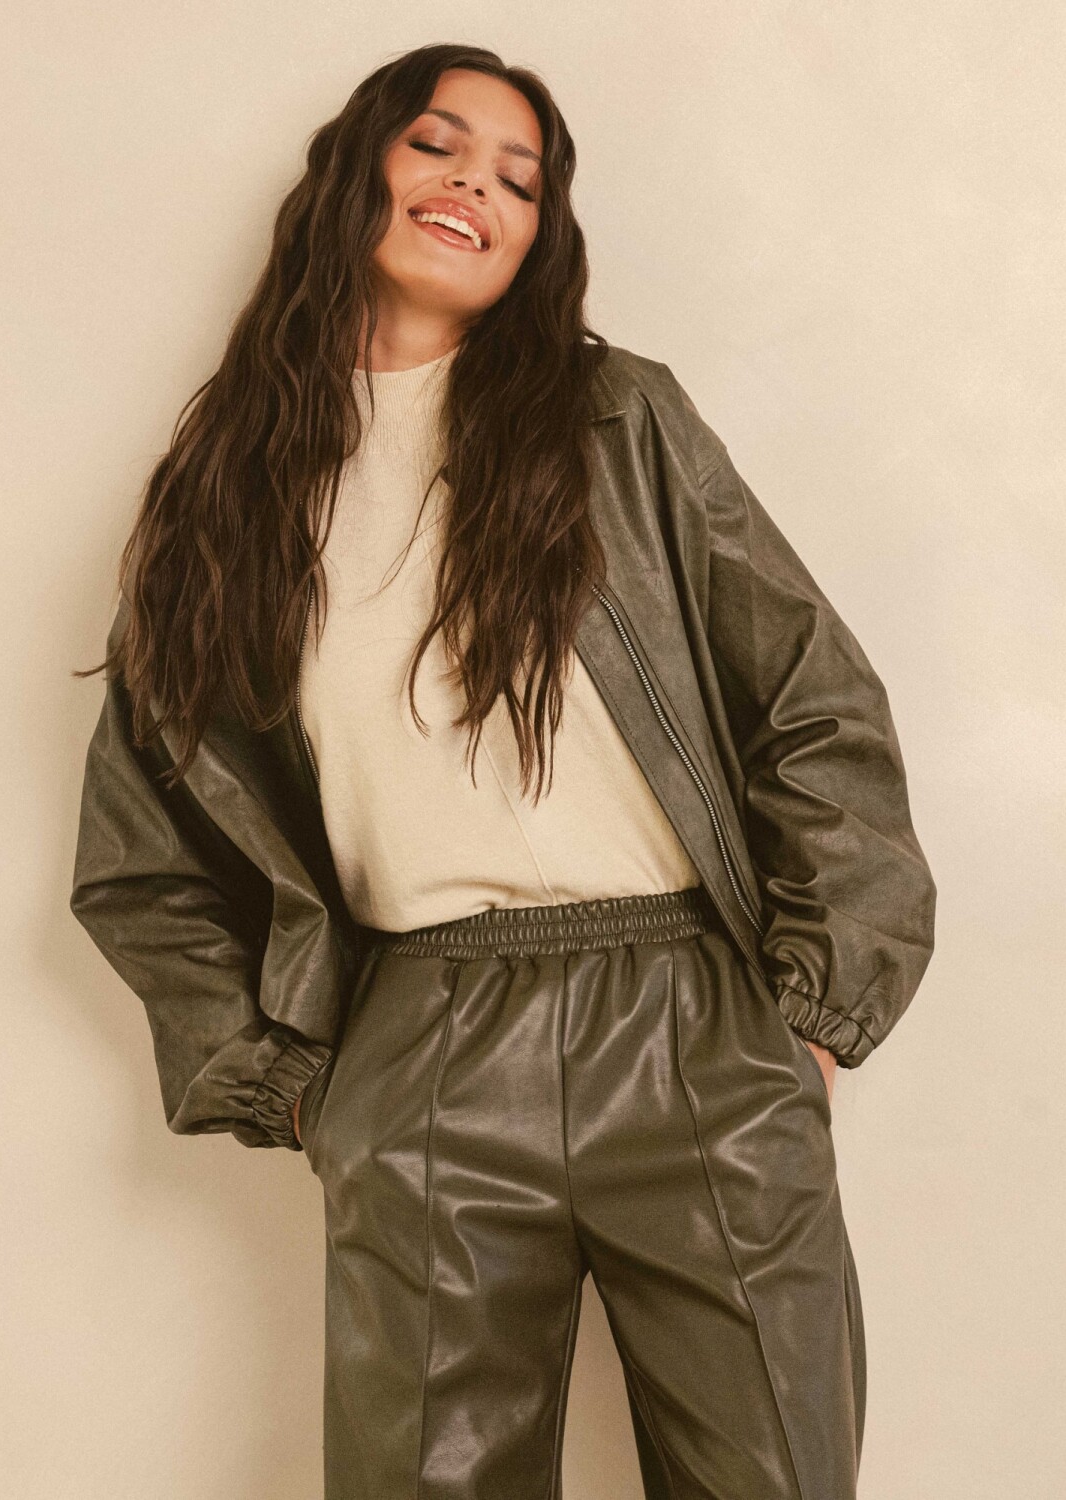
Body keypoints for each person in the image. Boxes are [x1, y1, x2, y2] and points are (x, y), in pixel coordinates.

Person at [70, 42, 937, 1500]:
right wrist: (296, 1089)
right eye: (438, 145)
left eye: (519, 178)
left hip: (689, 1016)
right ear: (358, 170)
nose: (476, 183)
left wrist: (813, 1019)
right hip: (421, 1037)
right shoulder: (233, 495)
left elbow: (814, 700)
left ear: (539, 235)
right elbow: (143, 857)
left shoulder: (613, 421)